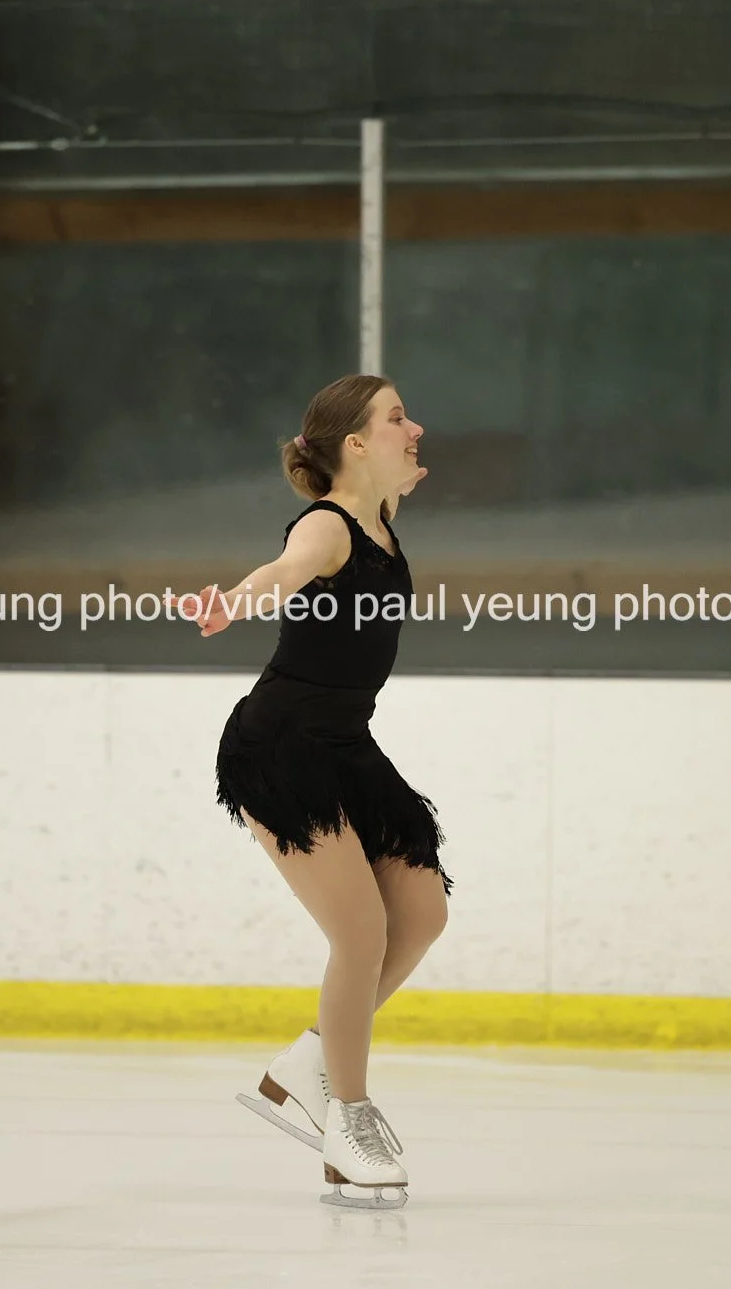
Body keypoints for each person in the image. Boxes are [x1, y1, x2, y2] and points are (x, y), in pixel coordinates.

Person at [180, 373, 447, 1210]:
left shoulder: (380, 514)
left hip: (346, 746)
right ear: (354, 444)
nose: (415, 426)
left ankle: (310, 1060)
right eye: (397, 418)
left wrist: (395, 476)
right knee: (360, 931)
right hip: (282, 748)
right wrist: (234, 601)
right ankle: (347, 1117)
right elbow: (286, 567)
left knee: (422, 911)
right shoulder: (329, 525)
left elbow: (382, 487)